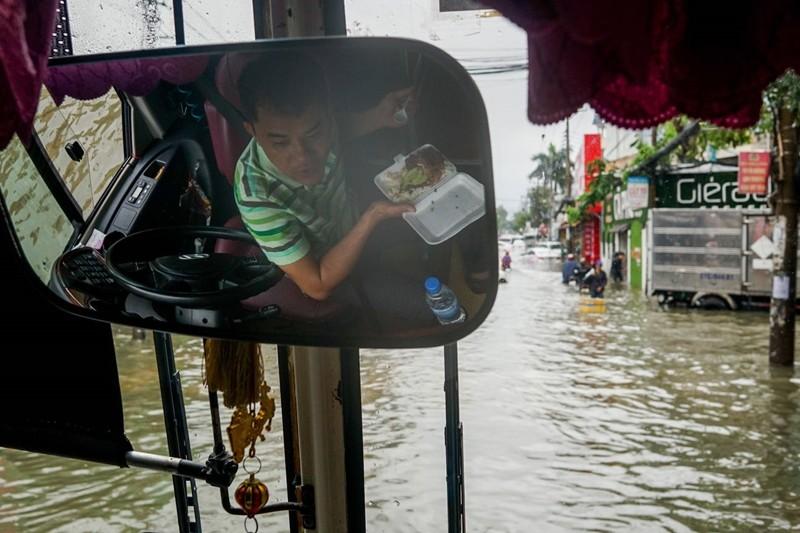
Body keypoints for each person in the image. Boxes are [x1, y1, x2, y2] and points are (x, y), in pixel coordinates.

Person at [233, 52, 434, 327]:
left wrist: (380, 116)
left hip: (349, 216)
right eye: (280, 142)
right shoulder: (256, 194)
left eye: (314, 133)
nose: (302, 157)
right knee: (431, 306)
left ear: (329, 116)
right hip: (325, 265)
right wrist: (372, 216)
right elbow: (317, 285)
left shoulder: (330, 125)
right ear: (252, 131)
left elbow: (345, 128)